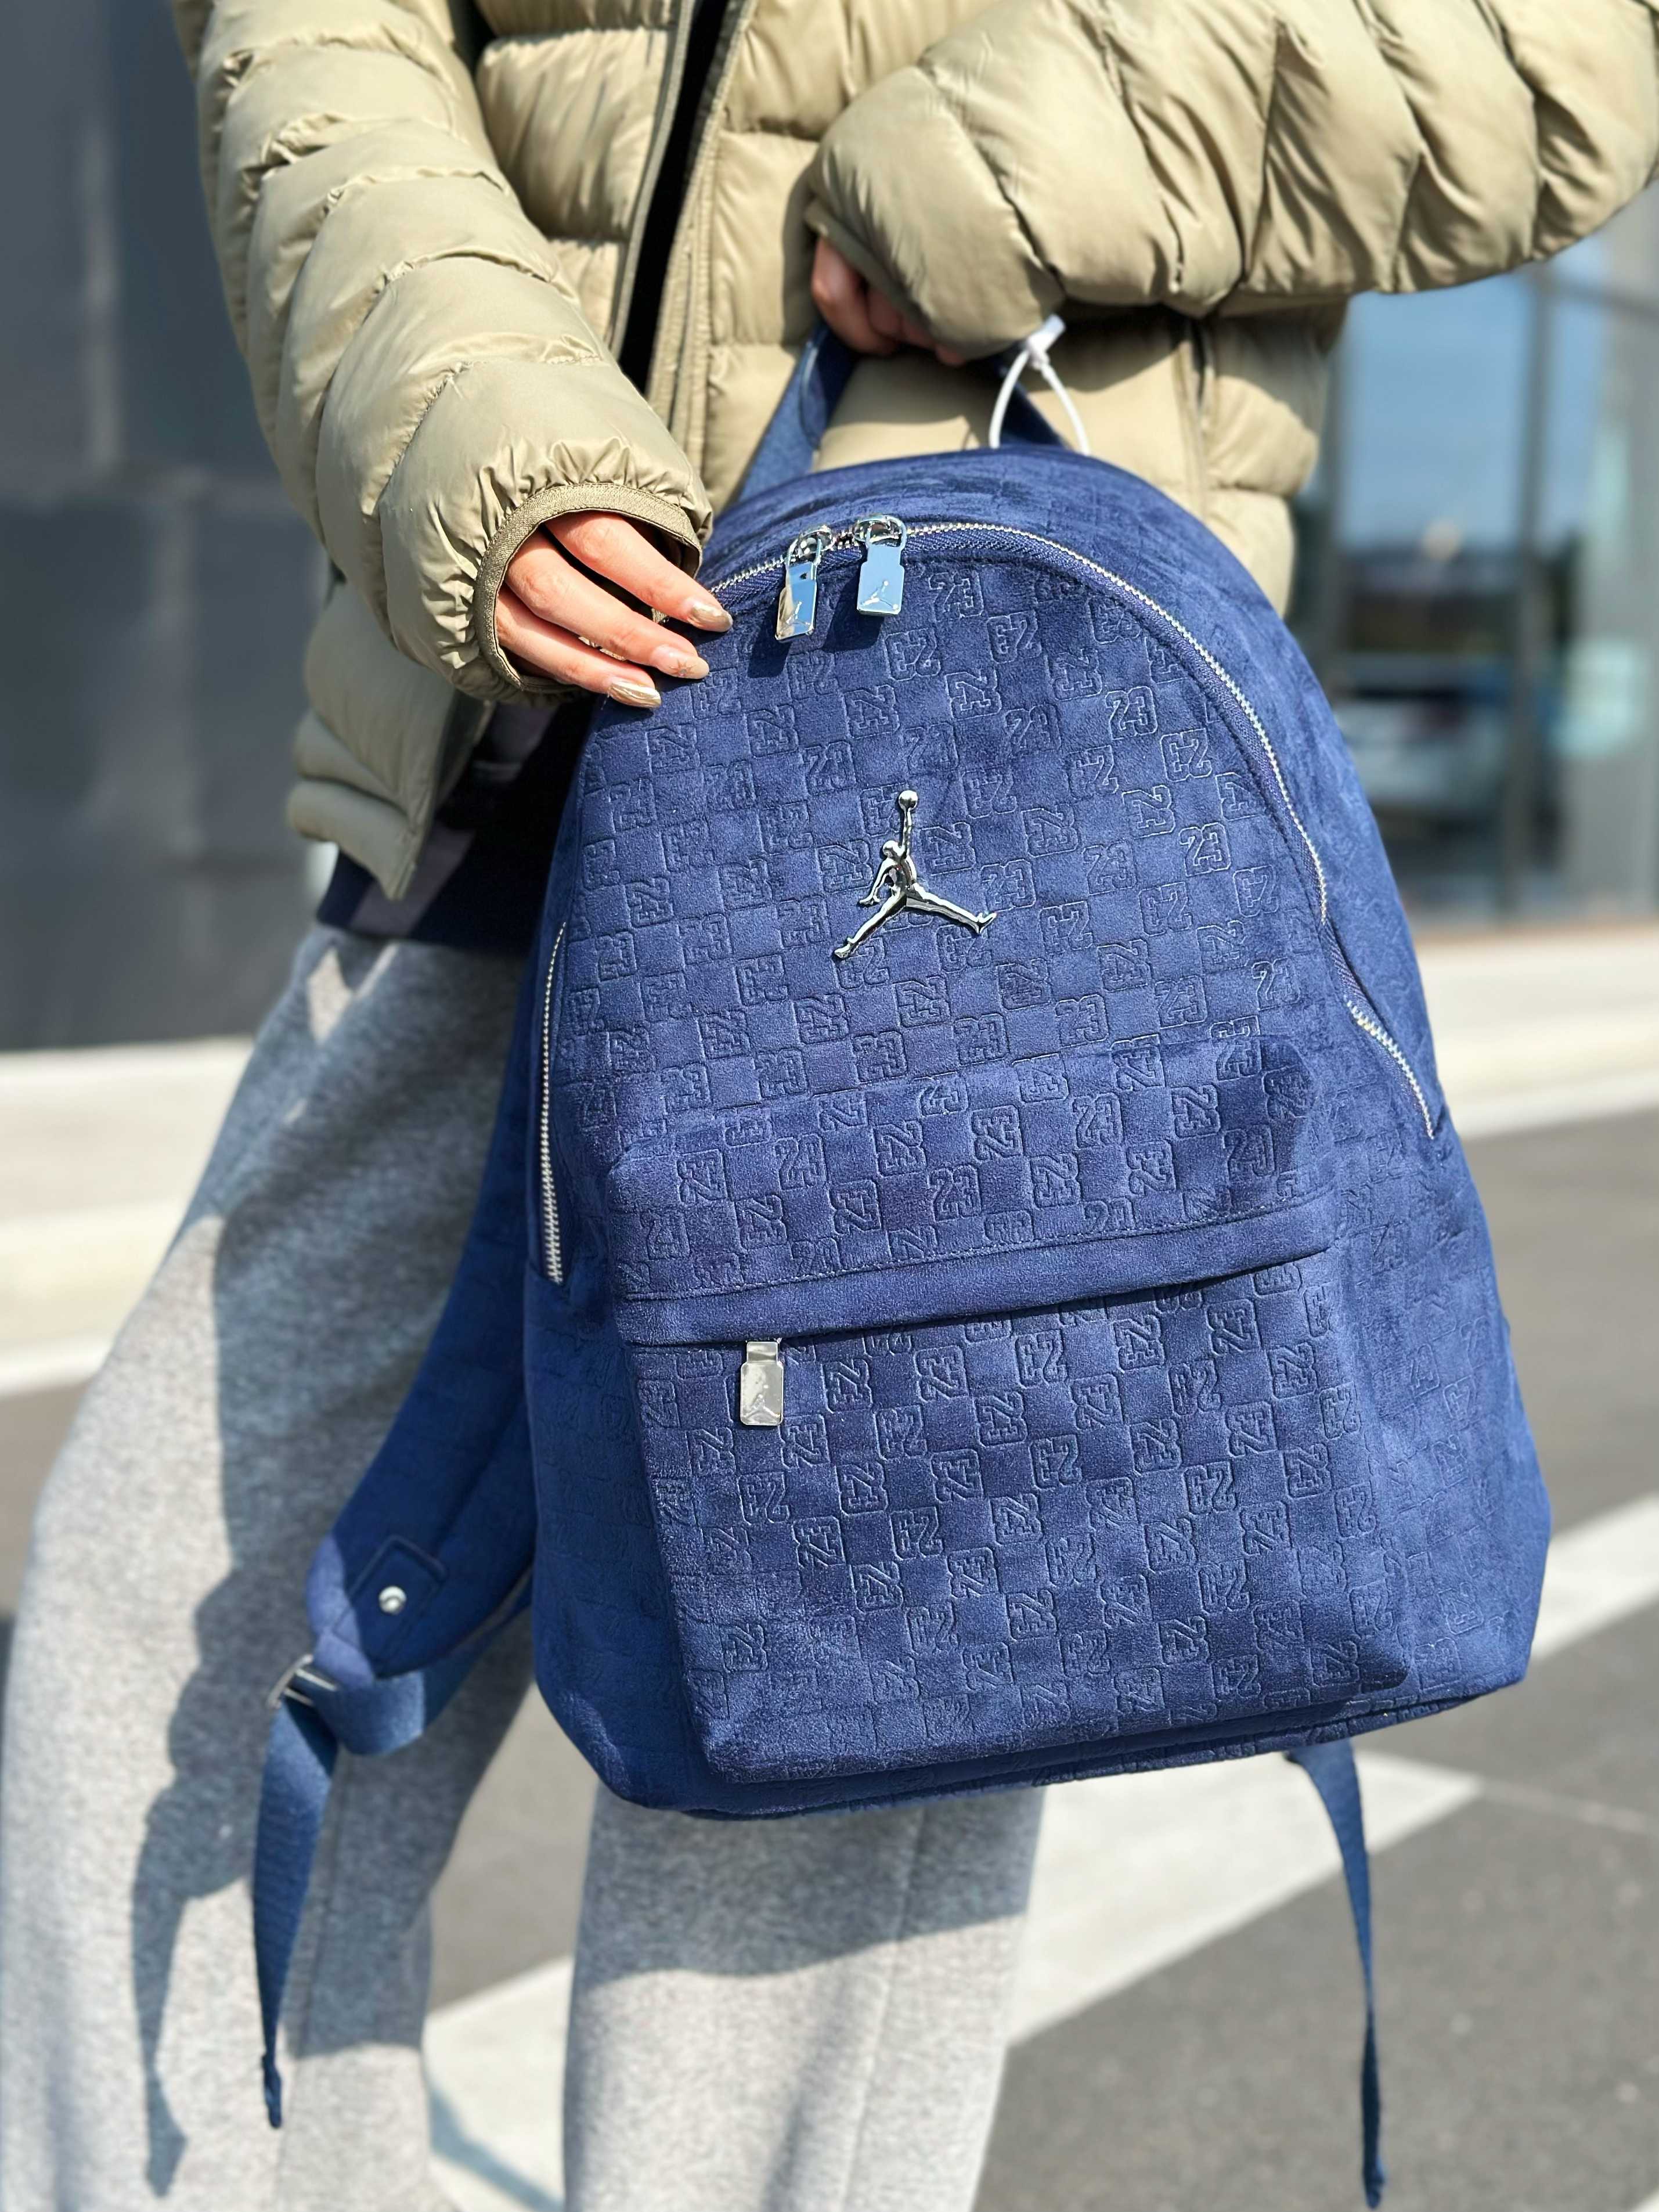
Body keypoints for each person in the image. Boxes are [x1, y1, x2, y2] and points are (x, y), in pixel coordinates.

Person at [4, 4, 1657, 2207]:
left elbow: (1557, 55)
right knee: (162, 1651)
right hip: (520, 695)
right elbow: (317, 37)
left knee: (836, 1729)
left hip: (978, 740)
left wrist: (997, 161)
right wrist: (470, 425)